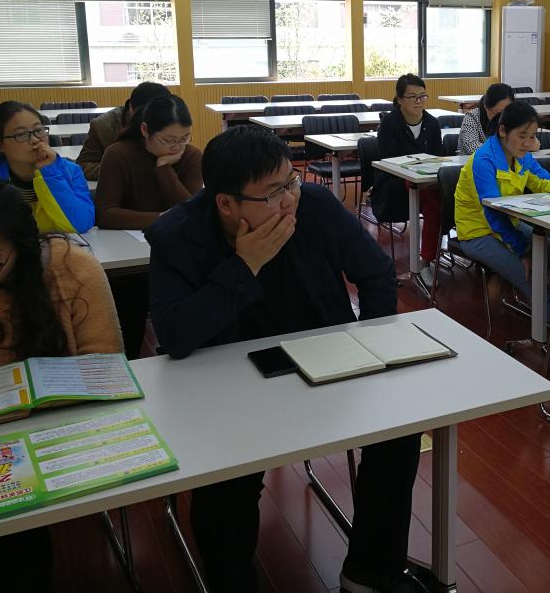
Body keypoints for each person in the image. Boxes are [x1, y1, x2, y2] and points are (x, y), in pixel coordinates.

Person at [146, 125, 423, 593]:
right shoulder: (178, 235)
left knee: (400, 432)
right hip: (227, 389)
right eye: (273, 193)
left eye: (290, 182)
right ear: (226, 203)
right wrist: (244, 266)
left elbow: (377, 275)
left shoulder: (313, 205)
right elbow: (174, 335)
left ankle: (369, 573)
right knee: (226, 487)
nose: (289, 199)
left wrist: (372, 350)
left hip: (324, 364)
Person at [0, 173, 121, 593]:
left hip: (60, 430)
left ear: (20, 247)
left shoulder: (68, 267)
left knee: (14, 548)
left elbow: (105, 366)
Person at [454, 102, 550, 341]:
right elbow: (492, 212)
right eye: (522, 136)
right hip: (478, 233)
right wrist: (523, 250)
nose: (528, 143)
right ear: (503, 131)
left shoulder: (521, 156)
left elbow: (542, 181)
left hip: (510, 226)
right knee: (534, 280)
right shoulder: (484, 159)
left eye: (533, 136)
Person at [0, 101, 94, 233]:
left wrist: (49, 172)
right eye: (21, 134)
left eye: (38, 130)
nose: (35, 140)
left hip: (58, 244)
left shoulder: (71, 171)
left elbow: (81, 224)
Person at [370, 74, 443, 288]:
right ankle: (425, 263)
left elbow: (438, 158)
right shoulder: (390, 123)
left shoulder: (432, 123)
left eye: (422, 96)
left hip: (425, 184)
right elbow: (388, 161)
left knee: (435, 201)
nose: (418, 101)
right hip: (394, 185)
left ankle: (425, 261)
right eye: (412, 97)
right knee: (434, 204)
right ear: (400, 99)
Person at [95, 94, 202, 230]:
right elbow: (104, 214)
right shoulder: (118, 154)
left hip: (178, 238)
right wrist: (162, 218)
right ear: (145, 130)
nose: (177, 146)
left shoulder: (192, 156)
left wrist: (164, 168)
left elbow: (193, 214)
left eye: (184, 138)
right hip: (125, 238)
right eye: (169, 140)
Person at [76, 81, 170, 180]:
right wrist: (124, 169)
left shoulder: (171, 120)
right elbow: (82, 167)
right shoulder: (103, 126)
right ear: (131, 108)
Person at [457, 82, 514, 155]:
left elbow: (525, 143)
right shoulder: (472, 117)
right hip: (473, 161)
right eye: (497, 113)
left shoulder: (514, 117)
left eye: (506, 112)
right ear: (486, 106)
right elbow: (472, 147)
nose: (502, 117)